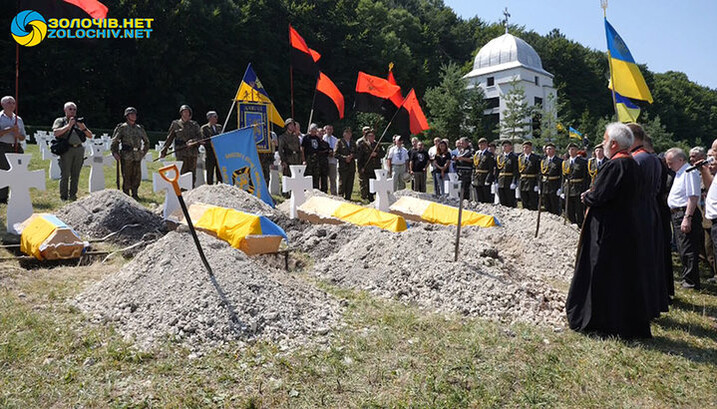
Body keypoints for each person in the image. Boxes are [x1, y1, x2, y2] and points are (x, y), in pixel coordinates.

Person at [566, 122, 651, 339]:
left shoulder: (615, 166)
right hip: (626, 228)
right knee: (623, 276)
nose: (603, 143)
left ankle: (599, 321)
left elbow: (599, 195)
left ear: (613, 144)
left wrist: (587, 196)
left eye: (604, 139)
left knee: (603, 274)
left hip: (608, 230)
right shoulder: (632, 164)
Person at [628, 123, 669, 317]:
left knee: (640, 260)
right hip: (650, 209)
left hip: (638, 211)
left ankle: (641, 305)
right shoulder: (652, 158)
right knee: (651, 260)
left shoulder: (637, 159)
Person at [666, 147, 703, 290]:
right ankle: (687, 278)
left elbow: (693, 197)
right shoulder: (679, 173)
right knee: (682, 248)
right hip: (677, 213)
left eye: (671, 162)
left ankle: (691, 282)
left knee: (688, 248)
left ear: (680, 160)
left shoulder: (689, 172)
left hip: (684, 213)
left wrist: (687, 217)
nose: (669, 166)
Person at [52, 101, 92, 201]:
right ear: (65, 110)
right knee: (65, 174)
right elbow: (56, 133)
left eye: (74, 109)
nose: (73, 111)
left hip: (78, 149)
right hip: (67, 149)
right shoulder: (61, 121)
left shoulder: (79, 122)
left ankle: (73, 195)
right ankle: (64, 196)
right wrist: (69, 126)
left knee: (76, 174)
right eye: (70, 109)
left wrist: (83, 128)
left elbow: (90, 135)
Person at [110, 107, 150, 200]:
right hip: (126, 155)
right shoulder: (122, 128)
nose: (134, 116)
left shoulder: (139, 128)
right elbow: (115, 141)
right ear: (127, 116)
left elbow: (147, 142)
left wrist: (143, 152)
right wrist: (115, 152)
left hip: (137, 155)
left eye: (135, 114)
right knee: (127, 175)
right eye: (131, 114)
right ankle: (126, 194)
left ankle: (135, 193)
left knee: (137, 175)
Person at [161, 105, 202, 187]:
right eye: (184, 112)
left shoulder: (194, 125)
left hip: (192, 153)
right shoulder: (176, 124)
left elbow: (200, 137)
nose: (186, 114)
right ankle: (183, 190)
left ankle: (191, 188)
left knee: (192, 173)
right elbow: (170, 138)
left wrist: (193, 141)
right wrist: (164, 149)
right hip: (181, 152)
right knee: (182, 172)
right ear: (181, 113)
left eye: (187, 112)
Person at [0, 96, 26, 204]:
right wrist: (10, 130)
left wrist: (18, 134)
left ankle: (16, 195)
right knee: (5, 171)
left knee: (18, 171)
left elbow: (23, 137)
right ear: (3, 104)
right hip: (3, 147)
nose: (12, 105)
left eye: (13, 103)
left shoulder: (18, 119)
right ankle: (2, 197)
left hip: (16, 146)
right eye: (9, 103)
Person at [700, 141, 717, 284]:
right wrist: (704, 170)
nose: (712, 158)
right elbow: (710, 187)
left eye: (715, 153)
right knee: (711, 248)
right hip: (712, 218)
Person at [563, 142, 589, 225]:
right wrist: (562, 190)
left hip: (578, 188)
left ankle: (580, 225)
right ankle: (572, 224)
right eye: (569, 149)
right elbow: (563, 177)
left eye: (573, 149)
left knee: (579, 209)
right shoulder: (565, 162)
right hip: (568, 189)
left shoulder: (582, 162)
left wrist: (584, 189)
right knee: (569, 210)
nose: (571, 151)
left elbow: (586, 178)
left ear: (577, 150)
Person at [356, 130, 385, 201]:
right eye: (369, 136)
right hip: (367, 168)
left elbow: (383, 154)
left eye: (372, 136)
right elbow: (360, 158)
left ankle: (374, 196)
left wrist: (376, 154)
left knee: (376, 183)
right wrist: (360, 168)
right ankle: (369, 197)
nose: (371, 137)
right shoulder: (363, 145)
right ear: (367, 137)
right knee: (368, 184)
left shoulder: (377, 144)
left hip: (376, 168)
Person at [301, 124, 330, 192]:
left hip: (316, 160)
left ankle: (316, 190)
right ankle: (307, 191)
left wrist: (327, 150)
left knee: (316, 176)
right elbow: (302, 149)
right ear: (310, 130)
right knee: (308, 175)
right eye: (313, 130)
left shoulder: (317, 138)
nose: (314, 132)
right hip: (308, 159)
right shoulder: (306, 138)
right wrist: (303, 160)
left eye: (315, 130)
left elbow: (319, 148)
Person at [200, 111, 223, 185]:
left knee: (219, 172)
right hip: (210, 154)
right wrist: (213, 143)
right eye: (215, 116)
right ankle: (210, 186)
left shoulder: (219, 127)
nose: (216, 118)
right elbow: (204, 140)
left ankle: (219, 185)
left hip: (219, 153)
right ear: (210, 118)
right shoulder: (205, 128)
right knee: (210, 172)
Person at [539, 142, 562, 215]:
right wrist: (540, 186)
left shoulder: (559, 161)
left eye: (550, 149)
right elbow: (540, 175)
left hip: (554, 185)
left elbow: (561, 176)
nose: (548, 150)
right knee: (546, 204)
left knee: (554, 204)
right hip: (545, 185)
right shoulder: (543, 161)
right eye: (547, 149)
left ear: (554, 150)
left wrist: (560, 188)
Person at [517, 140, 540, 210]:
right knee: (524, 201)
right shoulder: (520, 158)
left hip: (532, 182)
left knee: (533, 202)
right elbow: (518, 171)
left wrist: (537, 184)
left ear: (530, 148)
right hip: (523, 182)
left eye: (527, 147)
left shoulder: (535, 158)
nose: (525, 149)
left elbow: (538, 172)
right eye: (524, 147)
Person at [335, 127, 356, 200]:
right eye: (347, 133)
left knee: (350, 183)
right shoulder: (340, 142)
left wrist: (352, 156)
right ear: (344, 134)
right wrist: (345, 158)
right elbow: (336, 154)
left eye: (350, 133)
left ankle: (348, 197)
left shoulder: (353, 143)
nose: (349, 135)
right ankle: (340, 197)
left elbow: (357, 153)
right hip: (343, 166)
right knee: (342, 183)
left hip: (351, 166)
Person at [496, 140, 519, 207]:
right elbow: (498, 170)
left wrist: (514, 182)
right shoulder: (500, 157)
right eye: (503, 146)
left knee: (510, 201)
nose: (504, 147)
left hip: (509, 181)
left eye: (506, 146)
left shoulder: (514, 157)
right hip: (501, 181)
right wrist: (496, 181)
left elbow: (515, 171)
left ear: (510, 147)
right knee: (502, 201)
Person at [472, 138, 495, 203]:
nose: (481, 146)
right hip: (477, 178)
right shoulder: (477, 154)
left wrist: (487, 179)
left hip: (485, 177)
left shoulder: (489, 155)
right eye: (480, 144)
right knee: (479, 197)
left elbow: (491, 169)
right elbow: (474, 167)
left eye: (482, 144)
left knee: (486, 197)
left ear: (486, 145)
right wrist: (473, 178)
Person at [323, 124, 339, 195]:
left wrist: (333, 153)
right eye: (328, 129)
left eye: (330, 129)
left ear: (332, 130)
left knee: (333, 178)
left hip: (333, 161)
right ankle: (324, 192)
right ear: (325, 130)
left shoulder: (335, 139)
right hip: (325, 161)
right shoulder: (323, 138)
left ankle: (334, 193)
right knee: (324, 178)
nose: (329, 131)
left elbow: (337, 149)